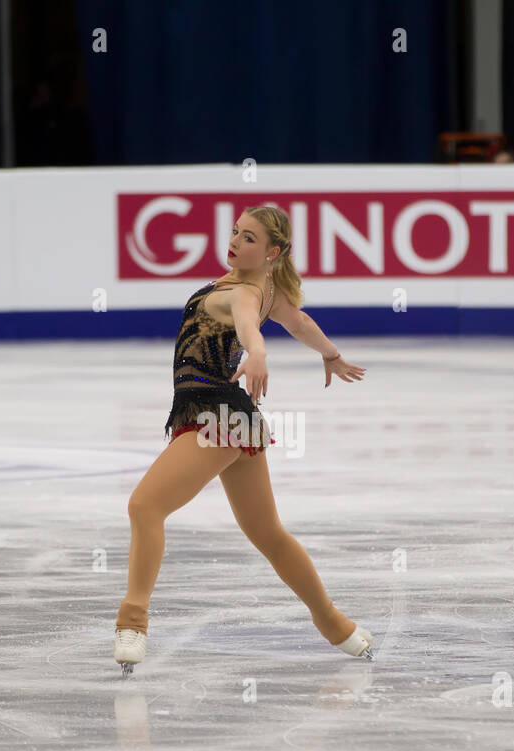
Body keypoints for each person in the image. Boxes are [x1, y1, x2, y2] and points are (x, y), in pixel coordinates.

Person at [113, 205, 374, 675]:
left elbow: (251, 325)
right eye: (236, 232)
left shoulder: (245, 293)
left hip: (214, 417)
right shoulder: (268, 288)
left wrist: (257, 352)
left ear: (272, 251)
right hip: (234, 421)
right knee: (268, 534)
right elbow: (300, 323)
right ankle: (337, 625)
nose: (235, 241)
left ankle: (133, 620)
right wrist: (331, 355)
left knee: (144, 507)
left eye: (249, 238)